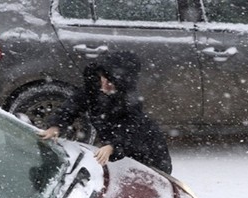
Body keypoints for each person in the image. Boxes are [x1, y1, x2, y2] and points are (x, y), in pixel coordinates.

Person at [38, 51, 172, 174]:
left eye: (113, 82)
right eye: (105, 79)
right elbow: (72, 106)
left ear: (123, 83)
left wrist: (113, 146)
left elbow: (130, 129)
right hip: (121, 152)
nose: (106, 85)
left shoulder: (130, 101)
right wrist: (56, 125)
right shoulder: (92, 89)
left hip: (148, 153)